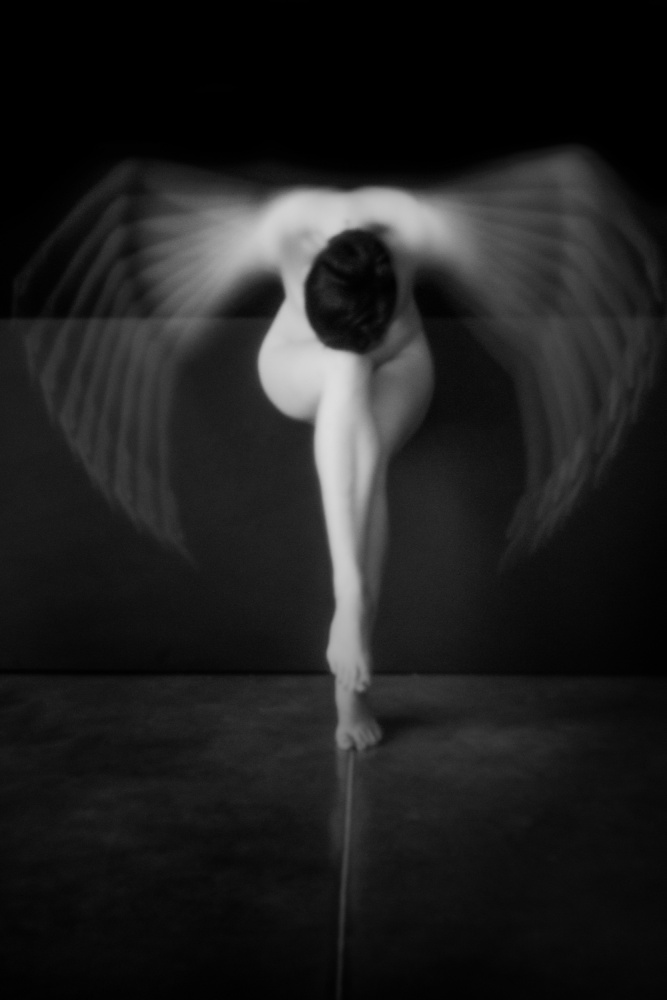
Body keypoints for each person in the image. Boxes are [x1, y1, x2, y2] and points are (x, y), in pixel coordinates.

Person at [14, 151, 665, 751]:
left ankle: (351, 647)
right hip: (298, 362)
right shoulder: (284, 225)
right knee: (345, 372)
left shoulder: (418, 226)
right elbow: (159, 264)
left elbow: (545, 245)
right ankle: (348, 602)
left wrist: (586, 382)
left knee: (364, 456)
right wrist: (115, 380)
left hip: (400, 360)